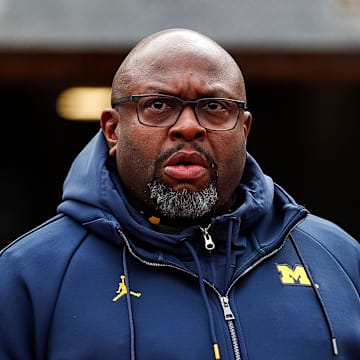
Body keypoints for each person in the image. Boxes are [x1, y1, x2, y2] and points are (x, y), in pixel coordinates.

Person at [0, 28, 359, 360]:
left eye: (214, 107)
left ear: (244, 129)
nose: (188, 127)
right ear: (113, 130)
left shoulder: (340, 258)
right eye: (158, 105)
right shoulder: (27, 276)